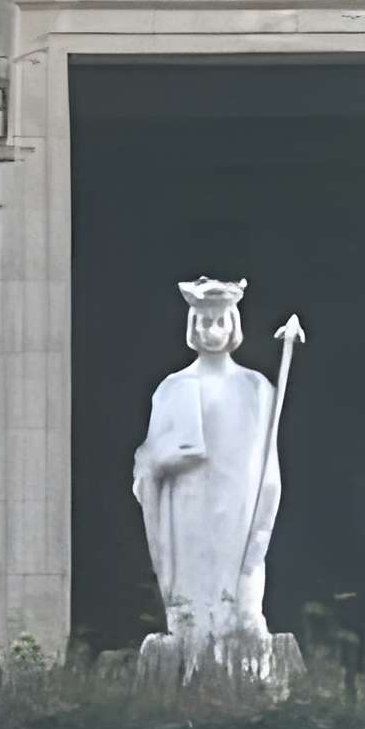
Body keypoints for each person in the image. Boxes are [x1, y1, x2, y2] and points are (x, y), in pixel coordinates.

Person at [131, 276, 281, 663]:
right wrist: (163, 460)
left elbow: (268, 469)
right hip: (188, 511)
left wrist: (261, 526)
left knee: (241, 606)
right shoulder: (172, 388)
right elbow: (146, 464)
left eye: (219, 320)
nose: (212, 329)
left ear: (233, 324)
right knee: (192, 608)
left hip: (237, 510)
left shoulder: (257, 388)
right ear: (191, 326)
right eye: (204, 321)